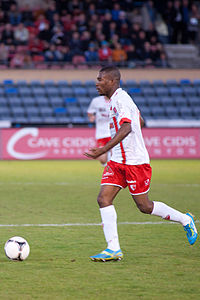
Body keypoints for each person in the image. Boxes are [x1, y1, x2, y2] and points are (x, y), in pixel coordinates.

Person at [84, 65, 198, 262]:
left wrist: (103, 149)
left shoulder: (122, 100)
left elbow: (127, 127)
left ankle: (185, 219)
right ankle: (113, 249)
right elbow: (140, 122)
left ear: (112, 81)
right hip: (117, 162)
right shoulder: (117, 101)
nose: (97, 83)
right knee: (103, 199)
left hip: (135, 162)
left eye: (100, 79)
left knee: (144, 206)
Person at [87, 95, 111, 166]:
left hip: (113, 132)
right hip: (101, 133)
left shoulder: (116, 99)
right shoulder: (96, 101)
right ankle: (108, 155)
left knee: (115, 156)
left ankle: (112, 172)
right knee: (103, 160)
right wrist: (91, 117)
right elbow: (89, 112)